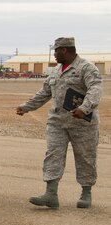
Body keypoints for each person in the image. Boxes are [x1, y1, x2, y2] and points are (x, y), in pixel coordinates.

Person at [16, 37, 103, 209]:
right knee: (53, 154)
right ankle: (51, 194)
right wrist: (26, 107)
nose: (54, 54)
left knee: (85, 157)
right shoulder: (55, 71)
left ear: (63, 50)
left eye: (55, 51)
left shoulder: (86, 68)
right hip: (57, 122)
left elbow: (95, 90)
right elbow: (45, 93)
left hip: (82, 123)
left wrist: (84, 108)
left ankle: (86, 193)